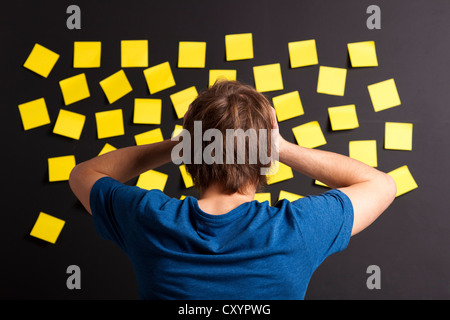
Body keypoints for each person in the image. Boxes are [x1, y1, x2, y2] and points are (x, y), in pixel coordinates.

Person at [69, 80, 396, 300]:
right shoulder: (297, 229)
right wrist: (279, 146)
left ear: (191, 152)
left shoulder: (146, 218)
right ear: (264, 157)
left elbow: (83, 173)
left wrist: (181, 143)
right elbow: (381, 184)